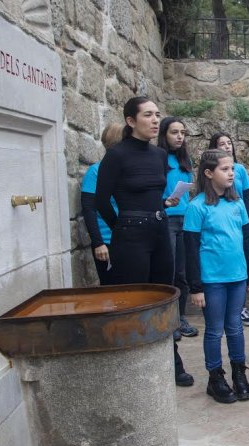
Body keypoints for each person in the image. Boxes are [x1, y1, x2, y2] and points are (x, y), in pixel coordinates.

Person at [95, 96, 193, 387]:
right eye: (148, 115)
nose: (154, 120)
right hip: (131, 237)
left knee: (164, 297)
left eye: (157, 114)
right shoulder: (116, 155)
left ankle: (170, 362)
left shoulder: (159, 156)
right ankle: (132, 367)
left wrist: (165, 201)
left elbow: (150, 195)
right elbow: (101, 201)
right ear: (130, 121)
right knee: (135, 301)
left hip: (160, 230)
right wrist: (122, 228)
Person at [184, 149, 249, 404]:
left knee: (236, 327)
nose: (231, 173)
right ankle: (215, 377)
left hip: (236, 276)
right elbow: (190, 249)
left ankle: (239, 373)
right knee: (215, 330)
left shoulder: (237, 203)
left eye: (232, 169)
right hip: (212, 280)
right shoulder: (196, 207)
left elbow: (247, 239)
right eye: (225, 169)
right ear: (208, 173)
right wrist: (196, 287)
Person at [209, 131, 249, 327]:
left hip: (238, 217)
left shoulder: (240, 170)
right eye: (222, 143)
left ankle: (241, 307)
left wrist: (247, 219)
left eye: (229, 143)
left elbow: (246, 197)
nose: (227, 146)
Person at [158, 117, 198, 339]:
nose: (179, 136)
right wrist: (165, 201)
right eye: (174, 132)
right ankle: (168, 321)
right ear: (164, 134)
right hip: (166, 218)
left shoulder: (185, 160)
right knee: (169, 270)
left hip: (186, 218)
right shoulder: (158, 157)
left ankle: (180, 318)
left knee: (183, 272)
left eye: (182, 132)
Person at [81, 123, 122, 285]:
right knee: (112, 287)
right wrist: (98, 243)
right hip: (107, 240)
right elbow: (89, 208)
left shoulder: (127, 170)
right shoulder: (96, 171)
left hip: (128, 239)